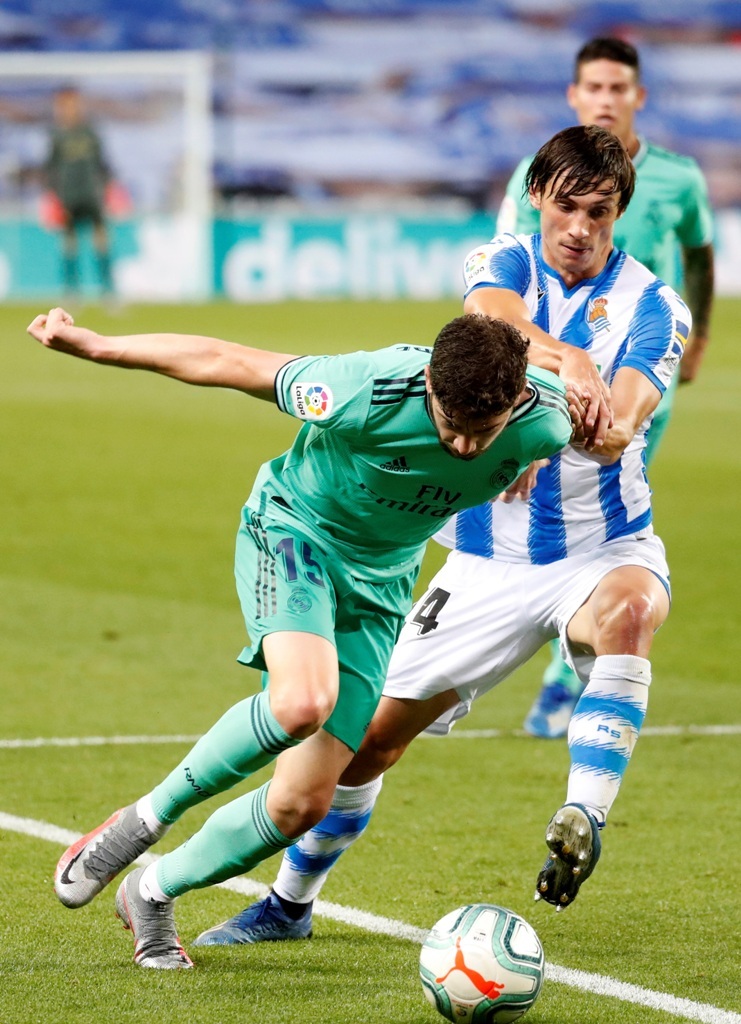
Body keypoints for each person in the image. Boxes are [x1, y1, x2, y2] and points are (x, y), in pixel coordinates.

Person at [191, 123, 691, 946]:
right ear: (538, 198)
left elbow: (619, 427)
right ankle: (288, 903)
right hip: (486, 556)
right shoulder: (501, 261)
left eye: (597, 212)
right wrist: (563, 367)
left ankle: (582, 815)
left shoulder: (652, 307)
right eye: (565, 207)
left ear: (618, 211)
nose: (577, 227)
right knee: (365, 747)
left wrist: (565, 419)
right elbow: (491, 325)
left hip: (600, 546)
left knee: (629, 612)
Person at [32, 303, 579, 969]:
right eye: (451, 426)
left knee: (300, 804)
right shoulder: (367, 390)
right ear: (430, 386)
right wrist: (96, 346)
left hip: (381, 584)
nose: (463, 446)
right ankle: (142, 821)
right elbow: (229, 362)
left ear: (516, 400)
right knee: (299, 703)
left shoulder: (543, 423)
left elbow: (589, 415)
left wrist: (534, 447)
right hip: (297, 535)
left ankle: (152, 891)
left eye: (484, 432)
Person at [497, 37, 714, 739]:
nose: (605, 99)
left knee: (602, 515)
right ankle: (577, 650)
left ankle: (568, 676)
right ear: (573, 95)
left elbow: (701, 256)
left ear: (636, 98)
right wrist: (529, 400)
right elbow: (508, 284)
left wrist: (699, 333)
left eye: (618, 88)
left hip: (637, 377)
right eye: (593, 86)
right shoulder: (539, 176)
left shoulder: (678, 178)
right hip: (549, 369)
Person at [44, 86, 115, 298]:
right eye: (63, 105)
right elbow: (50, 168)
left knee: (101, 240)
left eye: (72, 104)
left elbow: (103, 164)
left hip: (91, 194)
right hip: (68, 196)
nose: (68, 109)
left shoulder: (90, 132)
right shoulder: (56, 134)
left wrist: (106, 189)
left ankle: (108, 292)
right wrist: (54, 197)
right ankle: (71, 291)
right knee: (69, 243)